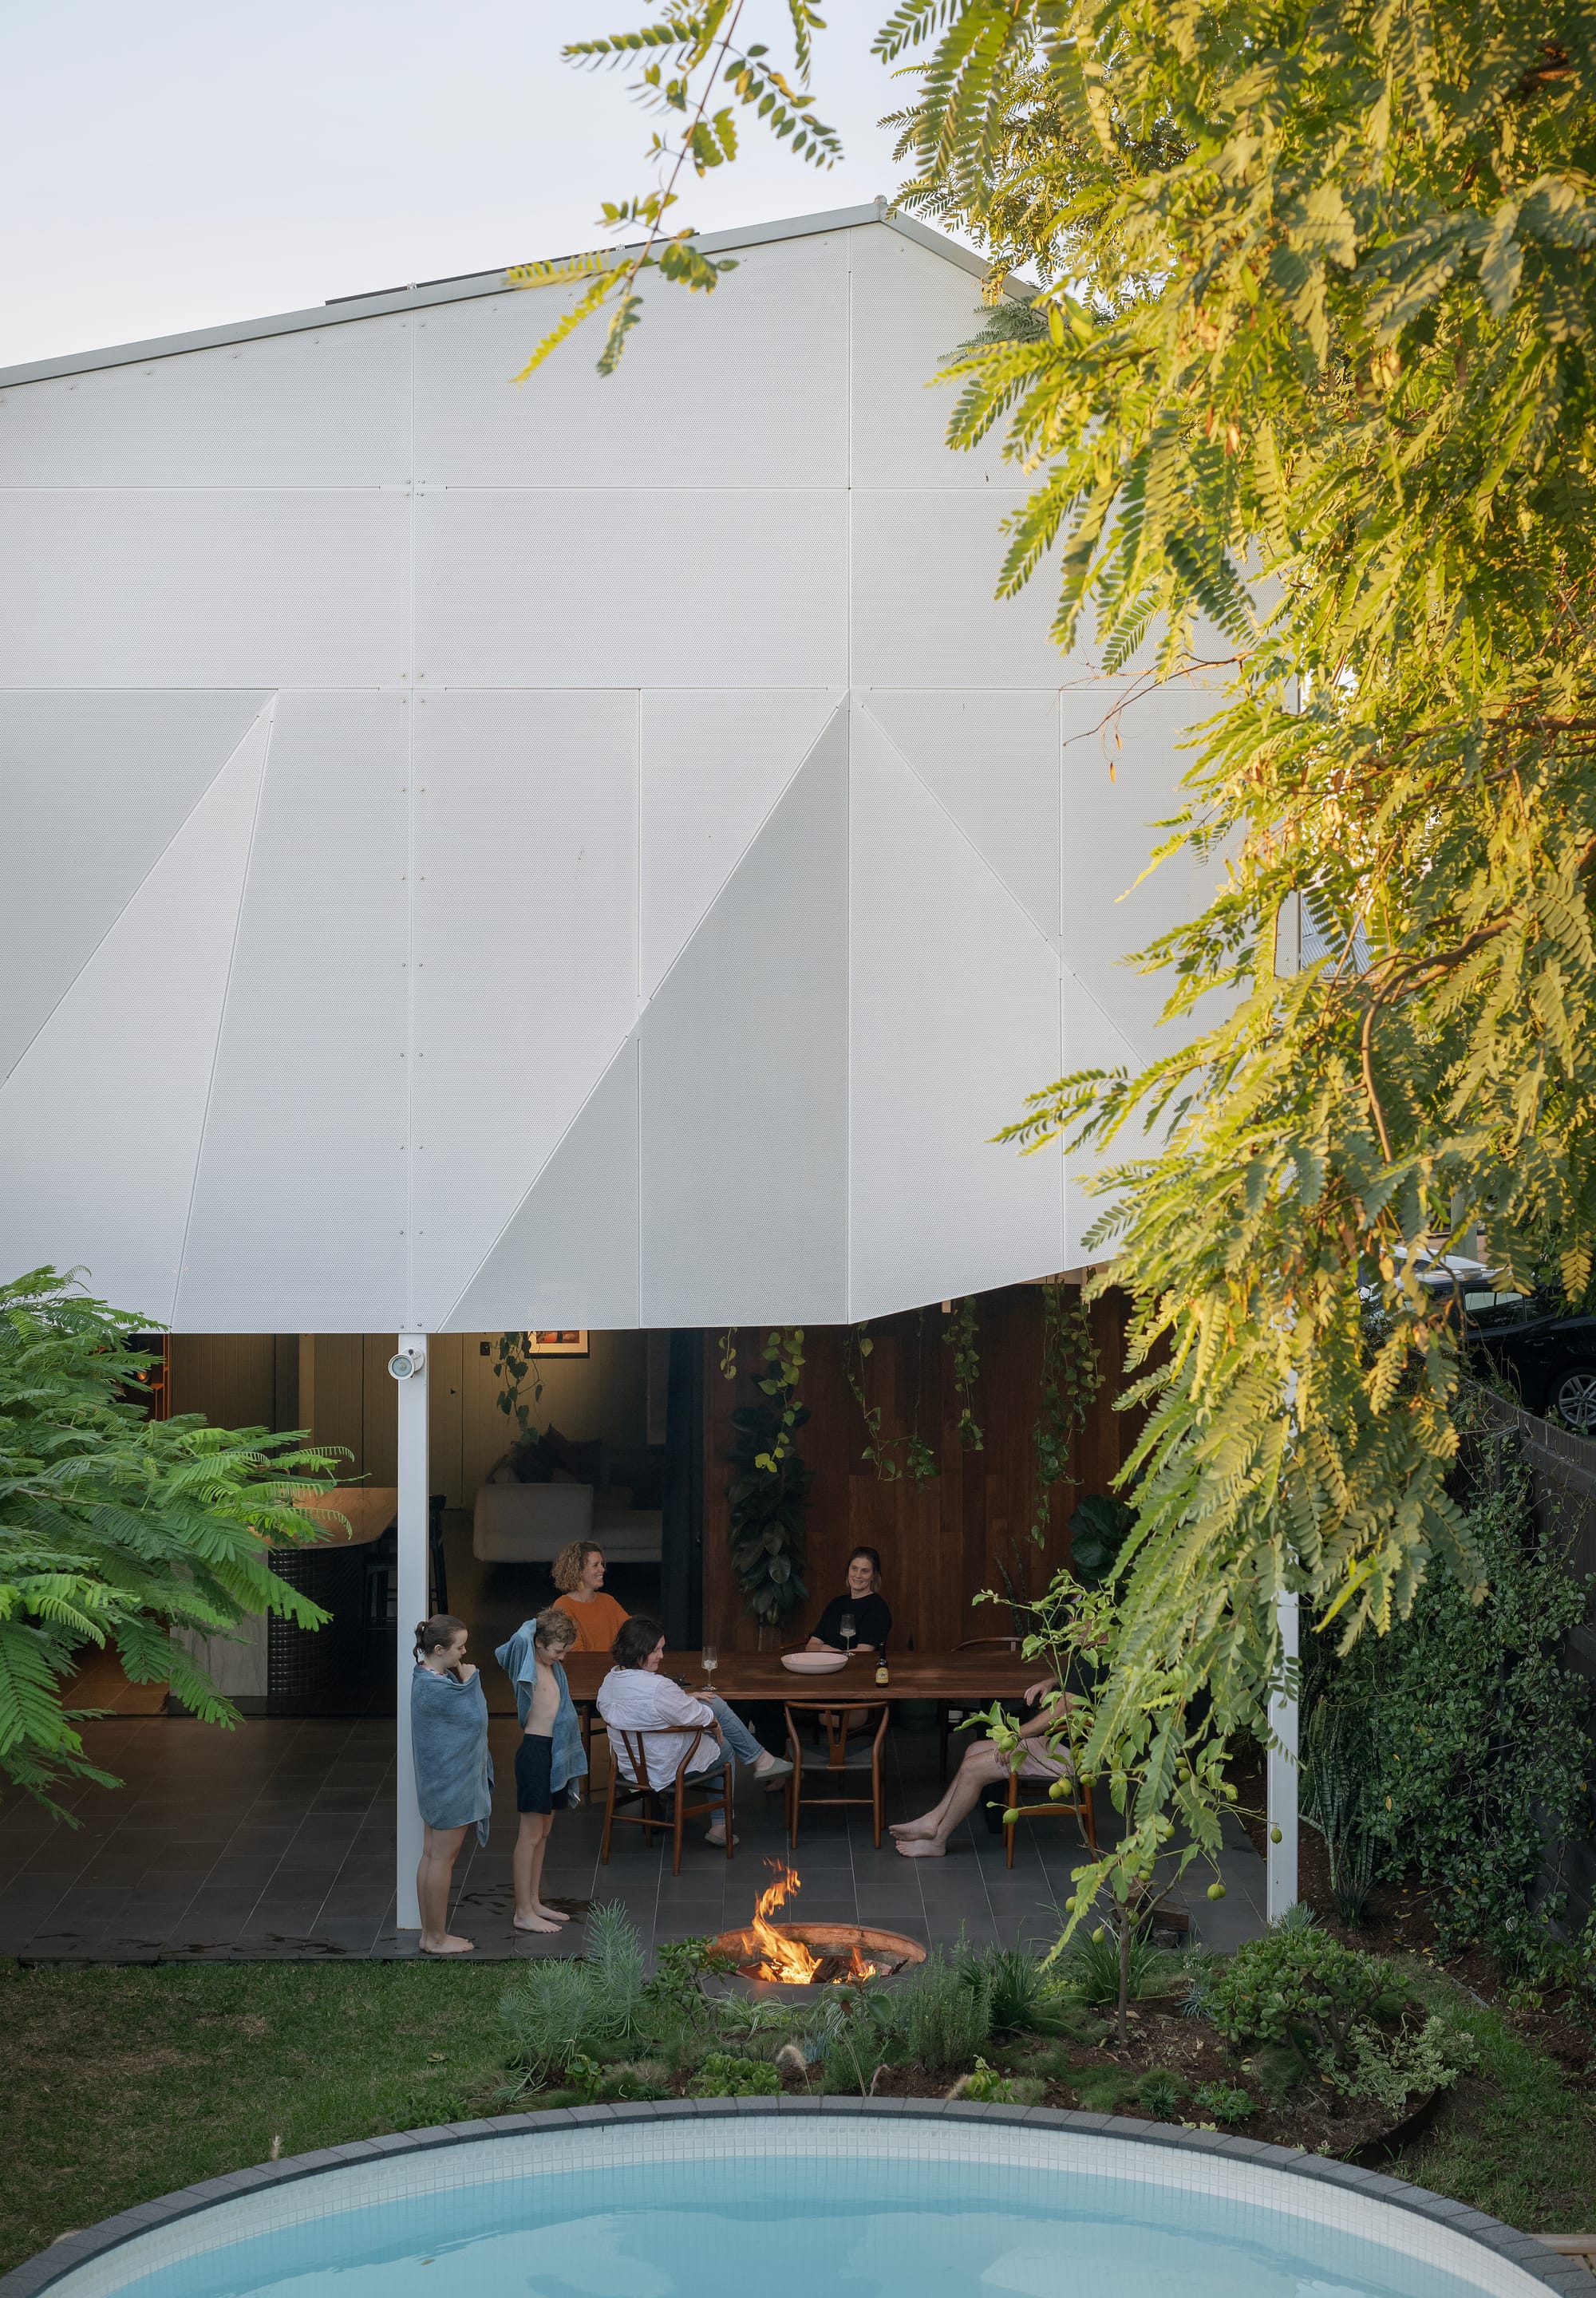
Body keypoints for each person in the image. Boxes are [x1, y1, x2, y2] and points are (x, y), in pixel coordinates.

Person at [596, 1615, 792, 1845]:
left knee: (710, 1703)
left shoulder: (610, 1680)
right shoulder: (658, 1687)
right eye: (656, 1650)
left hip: (630, 1766)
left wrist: (685, 1697)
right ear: (638, 1650)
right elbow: (698, 1716)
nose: (661, 1656)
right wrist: (714, 1723)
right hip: (665, 1768)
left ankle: (761, 1760)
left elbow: (648, 1705)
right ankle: (723, 1822)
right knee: (723, 1744)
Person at [891, 1680, 1073, 1858]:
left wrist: (1015, 1737)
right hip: (1058, 1741)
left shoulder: (1094, 1653)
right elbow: (1076, 1680)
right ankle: (933, 1820)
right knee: (974, 1750)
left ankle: (938, 1841)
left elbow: (1063, 1708)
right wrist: (1051, 1681)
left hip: (1070, 1753)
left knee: (973, 1768)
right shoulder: (1085, 1654)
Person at [495, 1607, 588, 1935]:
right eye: (557, 1651)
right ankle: (522, 1911)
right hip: (535, 1752)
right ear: (538, 1643)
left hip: (555, 1753)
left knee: (544, 1833)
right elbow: (508, 1645)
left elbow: (546, 1645)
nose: (561, 1658)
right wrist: (537, 1625)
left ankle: (534, 1902)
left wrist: (552, 1635)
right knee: (530, 1835)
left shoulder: (551, 1667)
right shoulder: (523, 1661)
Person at [409, 1614, 492, 1953]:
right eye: (459, 1647)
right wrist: (471, 1681)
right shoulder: (436, 1688)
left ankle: (430, 1935)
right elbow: (476, 1718)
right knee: (441, 1859)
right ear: (440, 1649)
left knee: (431, 1856)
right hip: (450, 1785)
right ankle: (437, 1938)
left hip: (436, 1784)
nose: (464, 1652)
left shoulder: (426, 1677)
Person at [550, 1539, 630, 1654]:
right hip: (585, 1670)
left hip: (614, 1669)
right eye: (595, 1565)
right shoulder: (563, 1606)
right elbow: (576, 1655)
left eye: (602, 1564)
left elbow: (633, 1633)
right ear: (578, 1571)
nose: (602, 1569)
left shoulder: (608, 1601)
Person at [807, 1546, 891, 1654]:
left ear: (873, 1576)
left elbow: (864, 1652)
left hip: (855, 1669)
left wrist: (831, 1652)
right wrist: (824, 1650)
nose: (858, 1575)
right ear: (848, 1570)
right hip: (823, 1665)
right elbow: (811, 1646)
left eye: (865, 1571)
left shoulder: (878, 1608)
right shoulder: (836, 1603)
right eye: (854, 1568)